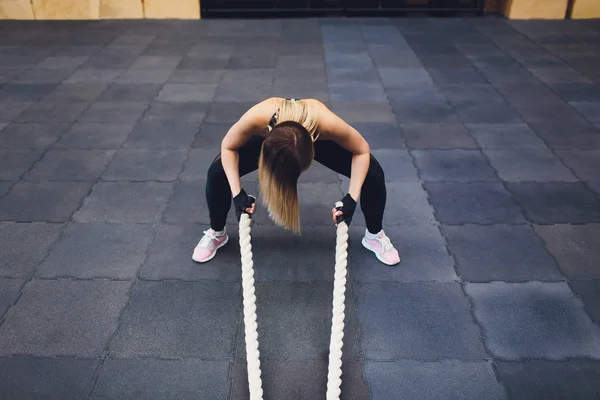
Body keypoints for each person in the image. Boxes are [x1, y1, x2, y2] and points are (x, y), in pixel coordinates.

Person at [192, 97, 401, 266]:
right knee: (217, 173)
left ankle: (375, 235)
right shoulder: (258, 117)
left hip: (313, 136)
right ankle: (216, 233)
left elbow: (362, 150)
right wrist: (237, 195)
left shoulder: (326, 123)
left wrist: (351, 199)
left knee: (373, 174)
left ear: (308, 163)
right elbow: (228, 147)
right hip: (272, 135)